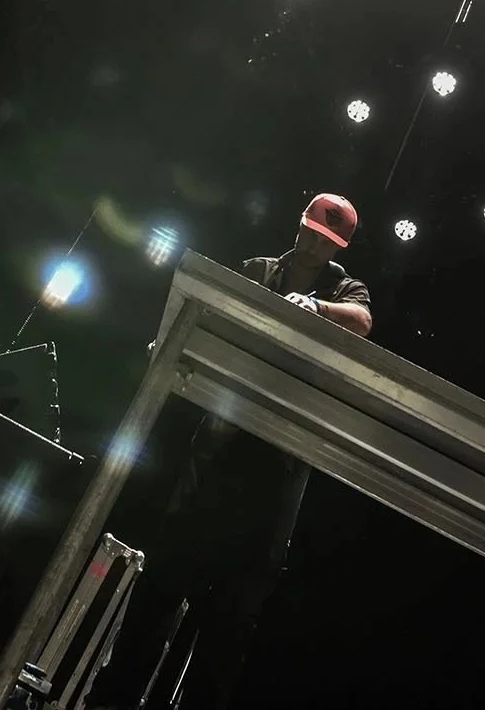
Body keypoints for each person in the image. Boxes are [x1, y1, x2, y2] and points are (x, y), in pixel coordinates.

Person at [104, 193, 372, 710]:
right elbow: (209, 314)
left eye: (328, 239)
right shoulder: (258, 269)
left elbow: (361, 321)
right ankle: (113, 698)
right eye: (313, 232)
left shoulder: (345, 287)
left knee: (235, 609)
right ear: (300, 228)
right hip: (218, 447)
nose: (317, 243)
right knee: (165, 577)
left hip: (280, 460)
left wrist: (315, 307)